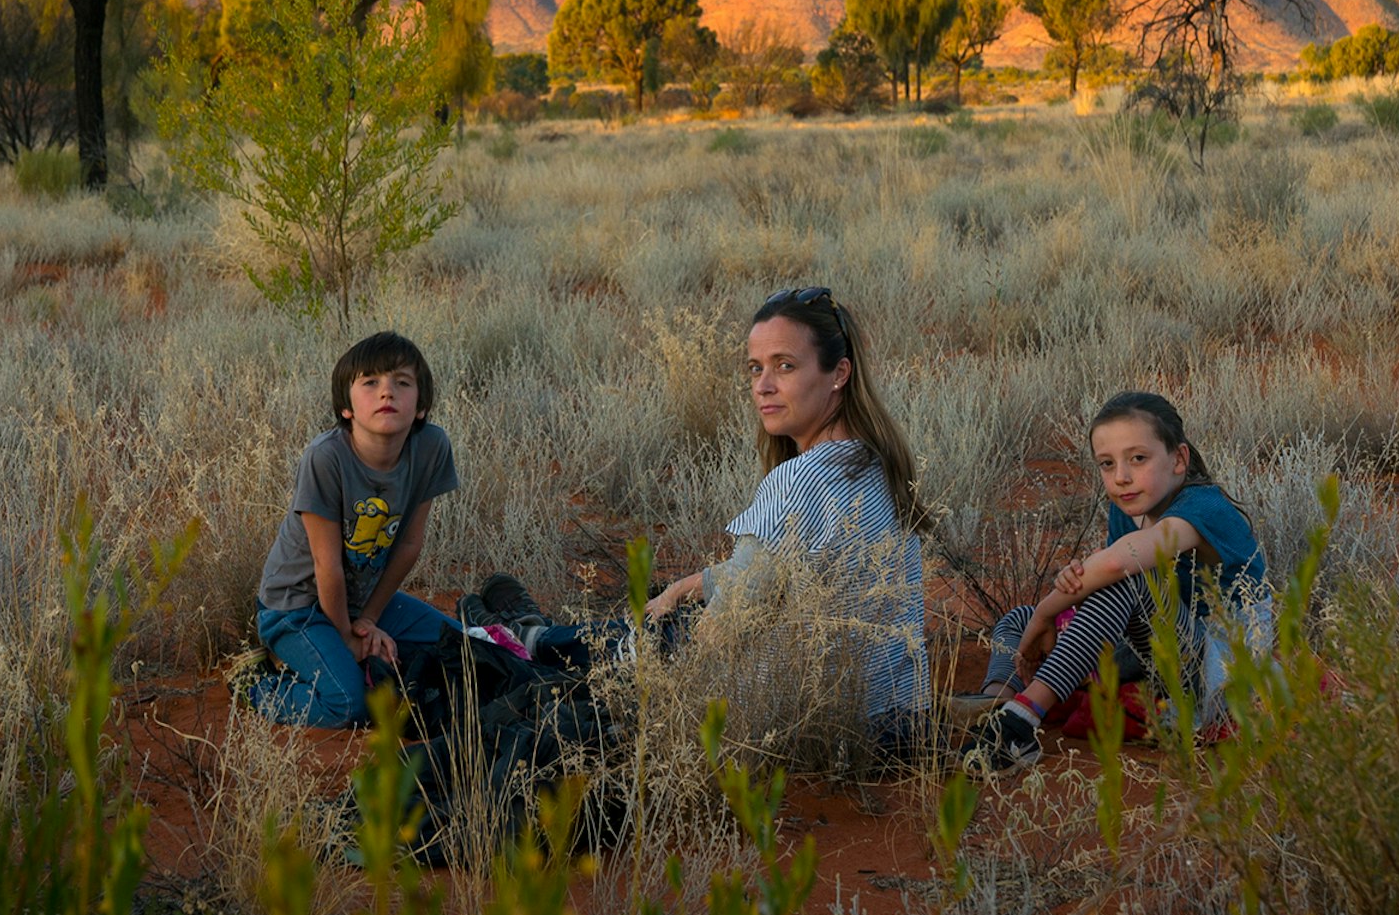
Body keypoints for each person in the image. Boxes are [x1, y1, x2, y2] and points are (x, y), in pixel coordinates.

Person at [506, 288, 934, 745]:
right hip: (900, 720)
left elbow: (723, 631)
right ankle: (532, 638)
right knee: (661, 621)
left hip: (809, 728)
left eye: (785, 366)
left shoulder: (801, 479)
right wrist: (684, 586)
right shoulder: (877, 463)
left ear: (838, 374)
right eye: (756, 368)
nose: (762, 385)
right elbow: (768, 575)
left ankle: (519, 644)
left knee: (643, 647)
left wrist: (652, 686)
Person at [958, 391, 1269, 773]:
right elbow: (1109, 581)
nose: (1121, 477)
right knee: (1018, 619)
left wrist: (1048, 613)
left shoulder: (1204, 507)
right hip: (1154, 652)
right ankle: (996, 700)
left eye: (1138, 458)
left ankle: (1020, 722)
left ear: (1179, 459)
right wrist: (1070, 589)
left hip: (1212, 673)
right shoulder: (1129, 508)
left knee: (1126, 581)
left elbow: (1119, 567)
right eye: (1107, 464)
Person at [246, 331, 460, 727]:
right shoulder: (326, 458)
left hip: (361, 602)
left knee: (460, 645)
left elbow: (410, 543)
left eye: (402, 382)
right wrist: (346, 638)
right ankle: (257, 683)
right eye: (370, 382)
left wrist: (369, 619)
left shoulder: (431, 447)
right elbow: (326, 565)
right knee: (348, 704)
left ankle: (330, 652)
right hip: (296, 607)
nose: (386, 393)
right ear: (346, 407)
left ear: (421, 405)